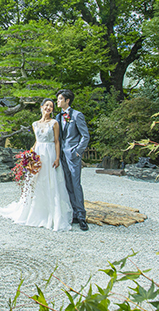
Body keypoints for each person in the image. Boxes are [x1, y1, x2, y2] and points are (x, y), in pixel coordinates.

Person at [0, 98, 73, 231]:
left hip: (50, 154)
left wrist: (57, 157)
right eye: (47, 105)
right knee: (35, 181)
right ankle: (33, 210)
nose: (48, 108)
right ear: (42, 107)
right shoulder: (35, 124)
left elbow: (56, 141)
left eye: (51, 107)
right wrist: (29, 155)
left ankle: (51, 212)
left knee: (50, 181)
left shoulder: (54, 123)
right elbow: (37, 141)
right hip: (38, 154)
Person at [56, 89, 90, 231]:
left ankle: (82, 216)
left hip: (73, 155)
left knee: (76, 184)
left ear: (67, 100)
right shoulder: (58, 117)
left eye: (59, 99)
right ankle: (73, 214)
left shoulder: (77, 115)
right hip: (62, 155)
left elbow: (85, 136)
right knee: (67, 184)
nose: (57, 101)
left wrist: (77, 151)